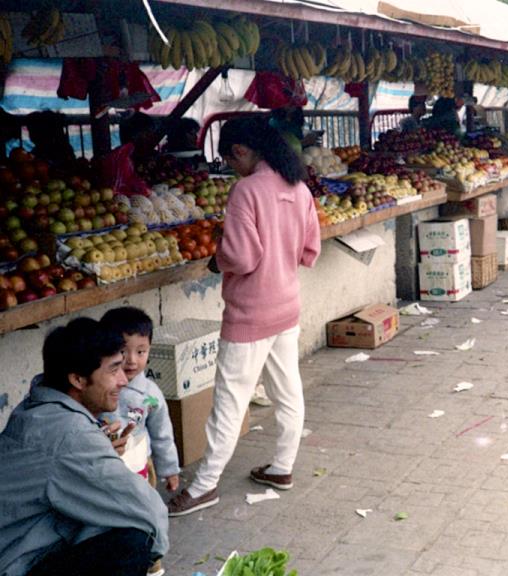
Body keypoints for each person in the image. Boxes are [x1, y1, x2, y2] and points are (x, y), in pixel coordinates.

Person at [167, 116, 321, 516]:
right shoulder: (298, 187)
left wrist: (219, 262)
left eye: (230, 159)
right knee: (288, 392)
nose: (231, 168)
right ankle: (282, 467)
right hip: (287, 304)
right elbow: (310, 249)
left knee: (229, 401)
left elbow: (241, 256)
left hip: (251, 310)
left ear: (240, 151)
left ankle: (204, 486)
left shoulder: (246, 190)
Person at [0, 317, 169, 576]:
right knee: (133, 539)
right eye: (113, 370)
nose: (124, 380)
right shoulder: (71, 435)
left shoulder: (35, 407)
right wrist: (155, 561)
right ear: (78, 380)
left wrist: (99, 448)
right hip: (17, 562)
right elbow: (147, 510)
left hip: (20, 544)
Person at [100, 306, 180, 576]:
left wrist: (170, 469)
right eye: (123, 351)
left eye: (141, 351)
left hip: (141, 469)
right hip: (106, 468)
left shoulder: (151, 394)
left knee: (146, 515)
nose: (132, 360)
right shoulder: (98, 387)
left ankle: (153, 564)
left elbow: (162, 433)